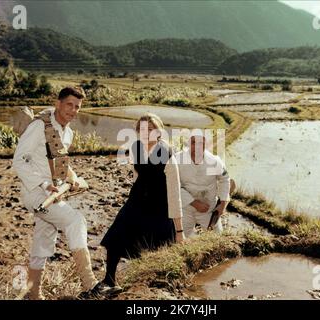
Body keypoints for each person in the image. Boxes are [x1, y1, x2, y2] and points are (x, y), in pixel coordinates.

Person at [13, 87, 111, 300]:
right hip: (36, 193)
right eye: (69, 104)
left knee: (43, 241)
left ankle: (34, 294)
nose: (73, 110)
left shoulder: (68, 133)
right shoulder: (40, 126)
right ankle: (90, 284)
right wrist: (43, 183)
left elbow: (59, 163)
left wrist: (72, 177)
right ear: (58, 103)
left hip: (54, 193)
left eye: (77, 107)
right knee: (76, 221)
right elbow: (19, 160)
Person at [100, 113, 185, 289]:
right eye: (142, 129)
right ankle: (109, 280)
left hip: (160, 206)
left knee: (153, 249)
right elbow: (137, 174)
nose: (147, 133)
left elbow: (174, 193)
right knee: (115, 237)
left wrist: (179, 230)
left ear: (160, 131)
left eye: (151, 129)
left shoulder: (167, 154)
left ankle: (147, 286)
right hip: (137, 201)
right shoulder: (136, 147)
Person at [175, 133, 235, 238]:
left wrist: (223, 203)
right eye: (194, 142)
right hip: (185, 207)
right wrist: (194, 202)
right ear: (189, 144)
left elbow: (224, 179)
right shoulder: (178, 160)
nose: (197, 147)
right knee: (179, 238)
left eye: (200, 143)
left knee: (217, 239)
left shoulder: (215, 161)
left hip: (208, 208)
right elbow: (174, 185)